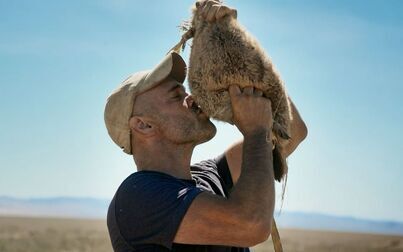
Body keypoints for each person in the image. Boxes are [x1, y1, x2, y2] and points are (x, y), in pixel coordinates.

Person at [104, 1, 307, 251]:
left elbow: (293, 132)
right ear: (143, 125)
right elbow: (251, 225)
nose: (191, 97)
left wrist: (237, 44)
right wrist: (255, 131)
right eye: (176, 97)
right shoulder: (138, 197)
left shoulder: (211, 175)